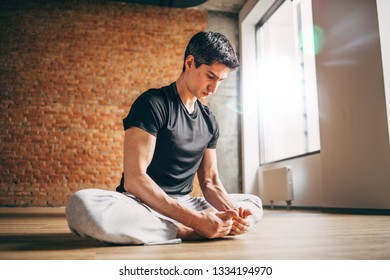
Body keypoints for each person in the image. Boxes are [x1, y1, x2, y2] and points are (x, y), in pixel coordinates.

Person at [66, 31, 263, 245]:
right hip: (142, 204)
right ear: (190, 63)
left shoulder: (209, 121)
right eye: (210, 76)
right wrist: (195, 221)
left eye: (221, 80)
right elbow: (134, 180)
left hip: (186, 203)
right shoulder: (153, 103)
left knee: (252, 203)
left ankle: (210, 226)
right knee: (81, 204)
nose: (214, 88)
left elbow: (210, 182)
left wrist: (234, 214)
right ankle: (183, 231)